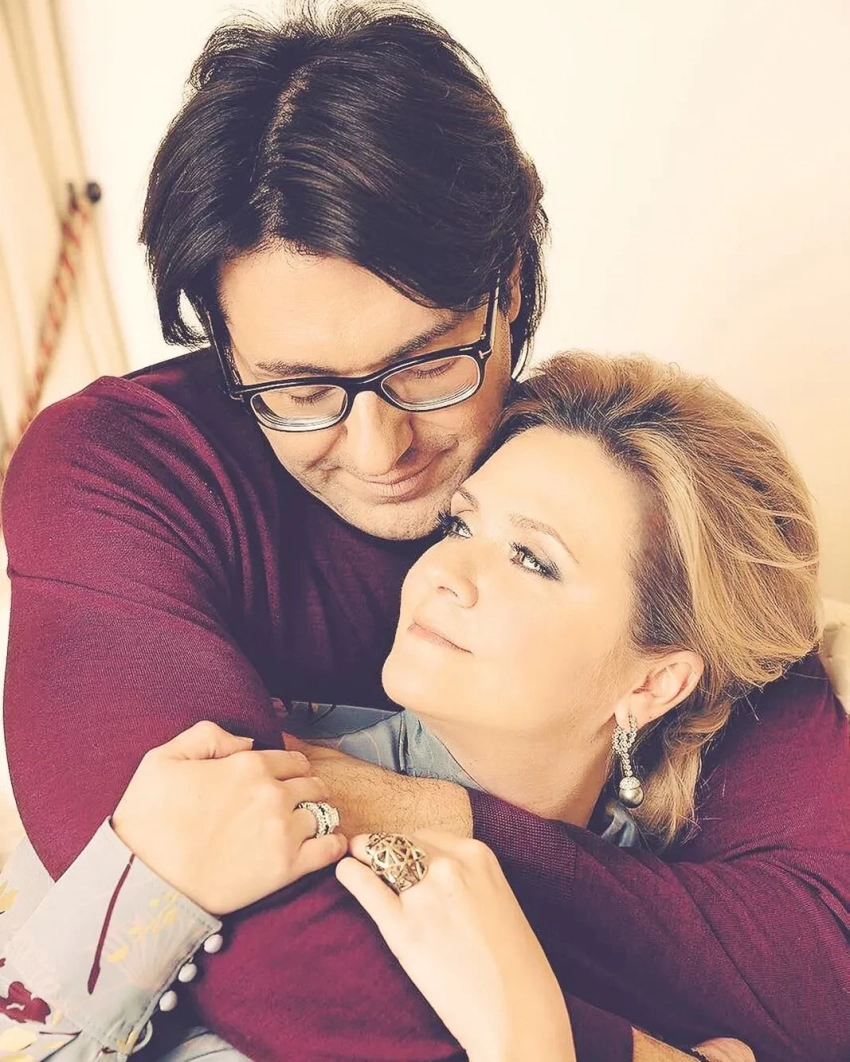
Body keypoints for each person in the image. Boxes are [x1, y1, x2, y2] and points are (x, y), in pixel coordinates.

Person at [1, 5, 847, 1061]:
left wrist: (427, 815)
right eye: (299, 389)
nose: (379, 448)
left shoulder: (602, 483)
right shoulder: (129, 469)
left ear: (512, 289)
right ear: (225, 350)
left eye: (429, 362)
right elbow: (261, 948)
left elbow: (821, 972)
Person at [2, 351, 807, 1062]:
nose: (444, 573)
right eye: (460, 525)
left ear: (653, 685)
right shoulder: (236, 776)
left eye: (532, 559)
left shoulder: (696, 929)